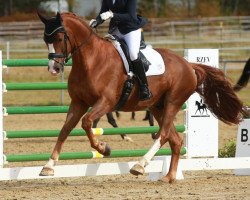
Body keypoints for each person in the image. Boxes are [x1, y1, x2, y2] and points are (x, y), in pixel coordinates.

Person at [89, 0, 152, 101]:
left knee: (133, 54)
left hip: (130, 29)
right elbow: (103, 12)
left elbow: (131, 16)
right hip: (116, 30)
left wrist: (112, 14)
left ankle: (144, 87)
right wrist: (96, 21)